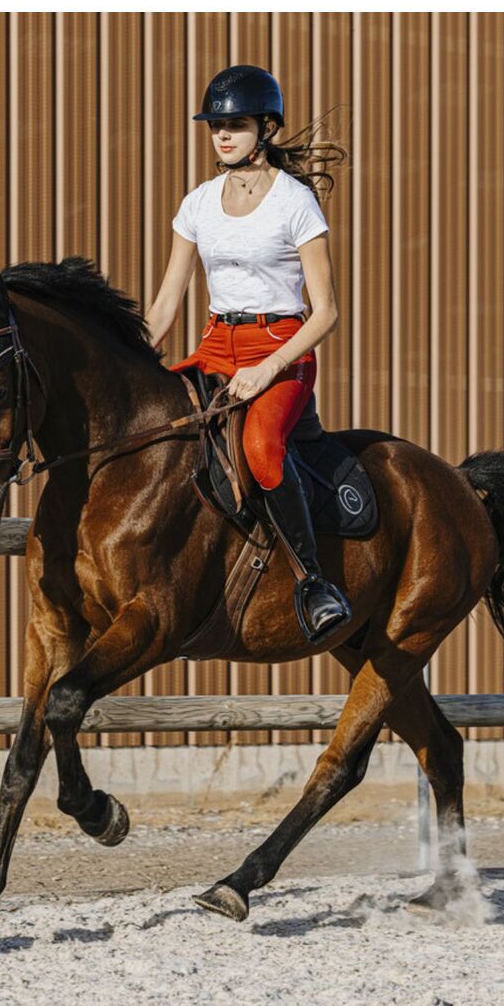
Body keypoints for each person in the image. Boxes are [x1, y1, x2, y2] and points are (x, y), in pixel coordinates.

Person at [146, 64, 352, 643]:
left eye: (234, 125)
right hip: (215, 344)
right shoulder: (198, 204)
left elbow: (327, 312)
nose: (222, 136)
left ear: (265, 128)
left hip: (280, 348)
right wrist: (137, 354)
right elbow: (164, 308)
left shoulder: (295, 204)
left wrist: (267, 368)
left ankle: (315, 583)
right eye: (216, 126)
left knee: (261, 450)